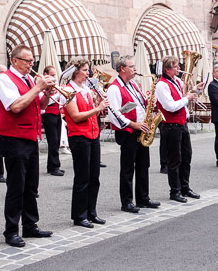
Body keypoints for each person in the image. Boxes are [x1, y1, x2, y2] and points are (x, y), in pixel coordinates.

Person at [0, 45, 55, 247]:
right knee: (16, 187)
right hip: (14, 139)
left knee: (31, 186)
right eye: (27, 60)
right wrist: (38, 87)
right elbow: (15, 106)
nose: (31, 64)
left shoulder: (28, 79)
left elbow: (41, 106)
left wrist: (46, 92)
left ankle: (30, 225)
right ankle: (11, 231)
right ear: (14, 61)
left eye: (32, 60)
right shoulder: (5, 79)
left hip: (30, 137)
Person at [108, 55, 161, 213]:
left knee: (144, 165)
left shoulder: (134, 85)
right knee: (127, 168)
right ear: (122, 68)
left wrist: (149, 104)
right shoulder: (114, 88)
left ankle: (143, 198)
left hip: (141, 128)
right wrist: (134, 124)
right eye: (132, 67)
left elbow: (139, 106)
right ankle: (127, 201)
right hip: (128, 131)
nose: (135, 69)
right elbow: (114, 114)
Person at [62, 57, 109, 228]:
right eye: (84, 70)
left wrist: (99, 106)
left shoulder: (86, 90)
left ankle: (91, 211)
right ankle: (79, 215)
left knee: (94, 176)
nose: (88, 73)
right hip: (79, 137)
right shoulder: (68, 90)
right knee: (82, 177)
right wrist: (96, 108)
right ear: (75, 72)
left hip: (92, 135)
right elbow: (75, 116)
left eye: (87, 69)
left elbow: (91, 114)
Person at [155, 55, 202, 203]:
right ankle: (175, 191)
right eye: (175, 67)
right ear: (167, 69)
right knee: (174, 160)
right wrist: (187, 98)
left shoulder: (176, 81)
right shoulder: (161, 85)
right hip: (170, 125)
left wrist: (195, 91)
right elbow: (170, 106)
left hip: (181, 123)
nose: (179, 69)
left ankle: (185, 187)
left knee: (186, 158)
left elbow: (181, 99)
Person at [41, 66, 64, 176]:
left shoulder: (54, 86)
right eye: (53, 75)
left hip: (56, 114)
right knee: (53, 141)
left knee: (57, 140)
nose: (55, 77)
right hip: (48, 115)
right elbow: (46, 103)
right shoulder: (42, 85)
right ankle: (54, 167)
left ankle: (53, 165)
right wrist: (60, 92)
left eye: (55, 75)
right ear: (46, 74)